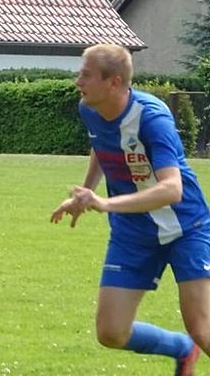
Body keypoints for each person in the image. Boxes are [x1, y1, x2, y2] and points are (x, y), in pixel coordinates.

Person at [51, 44, 209, 375]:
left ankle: (193, 342)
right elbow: (101, 145)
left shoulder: (152, 118)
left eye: (86, 75)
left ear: (114, 82)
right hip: (133, 232)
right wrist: (85, 193)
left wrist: (105, 203)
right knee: (111, 332)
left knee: (203, 328)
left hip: (187, 228)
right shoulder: (89, 109)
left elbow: (172, 189)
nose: (78, 82)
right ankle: (182, 350)